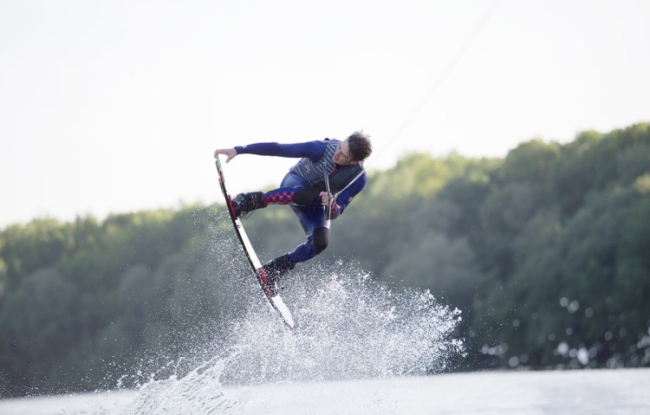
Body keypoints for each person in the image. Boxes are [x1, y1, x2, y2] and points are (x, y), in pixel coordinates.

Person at [214, 131, 372, 294]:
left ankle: (274, 270)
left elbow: (336, 212)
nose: (337, 153)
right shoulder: (322, 149)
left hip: (315, 205)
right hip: (294, 184)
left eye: (343, 155)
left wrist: (331, 205)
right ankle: (248, 201)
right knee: (305, 195)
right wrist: (238, 150)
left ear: (353, 161)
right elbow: (278, 149)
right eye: (339, 147)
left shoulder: (358, 178)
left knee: (320, 243)